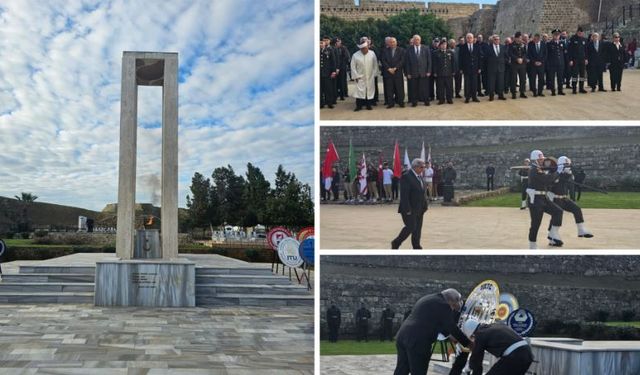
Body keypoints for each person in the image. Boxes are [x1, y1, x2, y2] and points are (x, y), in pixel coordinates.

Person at [394, 289, 471, 375]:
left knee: (402, 369)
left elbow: (438, 324)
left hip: (403, 335)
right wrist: (468, 343)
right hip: (418, 340)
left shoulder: (429, 299)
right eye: (454, 305)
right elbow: (452, 327)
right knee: (419, 371)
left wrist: (450, 336)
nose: (453, 309)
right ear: (452, 300)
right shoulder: (444, 305)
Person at [462, 319, 533, 375]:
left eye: (471, 338)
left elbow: (476, 359)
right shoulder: (495, 325)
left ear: (472, 335)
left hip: (515, 356)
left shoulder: (480, 334)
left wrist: (471, 368)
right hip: (527, 353)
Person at [526, 150, 564, 249]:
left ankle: (552, 234)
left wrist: (552, 174)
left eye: (542, 158)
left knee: (558, 211)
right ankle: (532, 244)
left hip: (543, 198)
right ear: (535, 160)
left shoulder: (540, 169)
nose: (542, 160)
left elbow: (547, 183)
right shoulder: (534, 170)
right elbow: (546, 180)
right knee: (536, 223)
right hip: (535, 200)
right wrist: (557, 172)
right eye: (540, 159)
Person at [549, 156, 594, 238]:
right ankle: (552, 234)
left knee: (577, 209)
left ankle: (581, 230)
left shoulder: (568, 174)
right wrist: (560, 171)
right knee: (556, 216)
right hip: (555, 199)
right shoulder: (554, 174)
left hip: (564, 198)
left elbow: (572, 179)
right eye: (566, 164)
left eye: (569, 164)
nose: (568, 166)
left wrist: (580, 172)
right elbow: (553, 181)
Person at [391, 158, 428, 249]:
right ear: (415, 167)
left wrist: (425, 205)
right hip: (410, 208)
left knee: (418, 229)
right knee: (411, 227)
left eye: (424, 167)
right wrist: (407, 209)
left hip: (420, 208)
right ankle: (396, 242)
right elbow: (404, 195)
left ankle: (416, 246)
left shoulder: (420, 177)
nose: (423, 169)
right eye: (422, 167)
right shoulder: (406, 176)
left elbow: (422, 193)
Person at [351, 37, 379, 111]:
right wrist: (356, 76)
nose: (364, 50)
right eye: (363, 48)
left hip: (370, 76)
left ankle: (368, 105)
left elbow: (375, 64)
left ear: (367, 47)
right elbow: (353, 67)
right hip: (360, 77)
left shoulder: (372, 54)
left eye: (365, 48)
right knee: (359, 92)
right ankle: (358, 106)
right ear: (360, 48)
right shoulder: (355, 55)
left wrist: (374, 74)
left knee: (369, 91)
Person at [405, 34, 432, 107]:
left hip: (424, 72)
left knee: (425, 88)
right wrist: (408, 73)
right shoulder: (408, 49)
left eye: (418, 39)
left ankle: (426, 101)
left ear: (420, 40)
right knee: (414, 88)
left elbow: (429, 61)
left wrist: (429, 71)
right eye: (415, 39)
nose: (416, 41)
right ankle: (414, 102)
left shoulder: (426, 48)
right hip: (413, 73)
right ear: (413, 41)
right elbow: (407, 62)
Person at [381, 37, 406, 108]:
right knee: (389, 89)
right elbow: (383, 60)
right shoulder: (385, 51)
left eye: (393, 42)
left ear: (396, 42)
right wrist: (389, 69)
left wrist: (395, 68)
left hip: (397, 72)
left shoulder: (401, 50)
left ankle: (401, 102)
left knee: (400, 88)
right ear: (388, 43)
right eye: (391, 42)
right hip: (388, 73)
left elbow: (402, 61)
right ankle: (390, 103)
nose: (392, 43)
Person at [459, 33, 481, 103]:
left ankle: (474, 97)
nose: (469, 39)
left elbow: (479, 58)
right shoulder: (462, 47)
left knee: (474, 83)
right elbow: (460, 59)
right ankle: (467, 97)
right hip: (466, 68)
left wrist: (479, 67)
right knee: (467, 83)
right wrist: (461, 68)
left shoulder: (477, 46)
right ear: (466, 39)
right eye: (468, 38)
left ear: (473, 38)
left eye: (471, 37)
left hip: (475, 68)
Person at [432, 39, 456, 104]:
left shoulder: (450, 52)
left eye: (445, 44)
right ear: (440, 46)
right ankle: (441, 99)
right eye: (442, 45)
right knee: (440, 87)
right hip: (440, 73)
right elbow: (434, 64)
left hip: (449, 73)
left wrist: (453, 71)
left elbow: (453, 63)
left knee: (449, 86)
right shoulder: (436, 53)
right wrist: (435, 72)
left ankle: (449, 99)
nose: (444, 46)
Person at [486, 35, 507, 101]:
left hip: (501, 67)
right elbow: (486, 58)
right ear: (492, 40)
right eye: (495, 39)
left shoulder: (503, 47)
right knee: (491, 83)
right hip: (492, 68)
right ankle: (491, 96)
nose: (497, 40)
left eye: (498, 39)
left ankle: (500, 95)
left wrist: (503, 61)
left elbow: (506, 56)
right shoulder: (488, 48)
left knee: (500, 82)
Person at [568, 27, 588, 94]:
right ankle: (574, 88)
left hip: (582, 60)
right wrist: (570, 60)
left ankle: (581, 88)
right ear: (577, 32)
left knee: (582, 75)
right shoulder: (573, 39)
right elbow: (570, 50)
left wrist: (586, 59)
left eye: (581, 32)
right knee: (575, 75)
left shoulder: (584, 40)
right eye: (579, 32)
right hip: (575, 60)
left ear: (582, 33)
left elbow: (586, 50)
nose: (580, 33)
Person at [546, 29, 566, 96]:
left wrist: (564, 62)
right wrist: (548, 64)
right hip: (552, 64)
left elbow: (564, 53)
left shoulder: (562, 43)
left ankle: (560, 90)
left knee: (560, 78)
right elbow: (547, 55)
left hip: (560, 63)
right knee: (552, 78)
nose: (557, 36)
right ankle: (553, 91)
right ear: (553, 35)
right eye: (555, 35)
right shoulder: (549, 43)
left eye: (558, 35)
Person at [509, 32, 528, 99]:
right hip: (514, 64)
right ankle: (513, 93)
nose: (520, 39)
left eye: (521, 38)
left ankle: (522, 92)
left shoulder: (523, 44)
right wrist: (516, 59)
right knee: (513, 79)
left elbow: (525, 53)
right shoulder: (511, 45)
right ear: (516, 38)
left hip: (522, 64)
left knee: (523, 79)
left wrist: (522, 59)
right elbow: (510, 53)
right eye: (519, 38)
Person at [320, 39, 337, 108]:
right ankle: (321, 103)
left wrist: (333, 71)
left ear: (324, 44)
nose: (320, 44)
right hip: (319, 74)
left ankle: (329, 102)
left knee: (328, 89)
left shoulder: (329, 50)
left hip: (327, 72)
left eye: (321, 43)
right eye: (319, 43)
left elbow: (333, 61)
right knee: (320, 89)